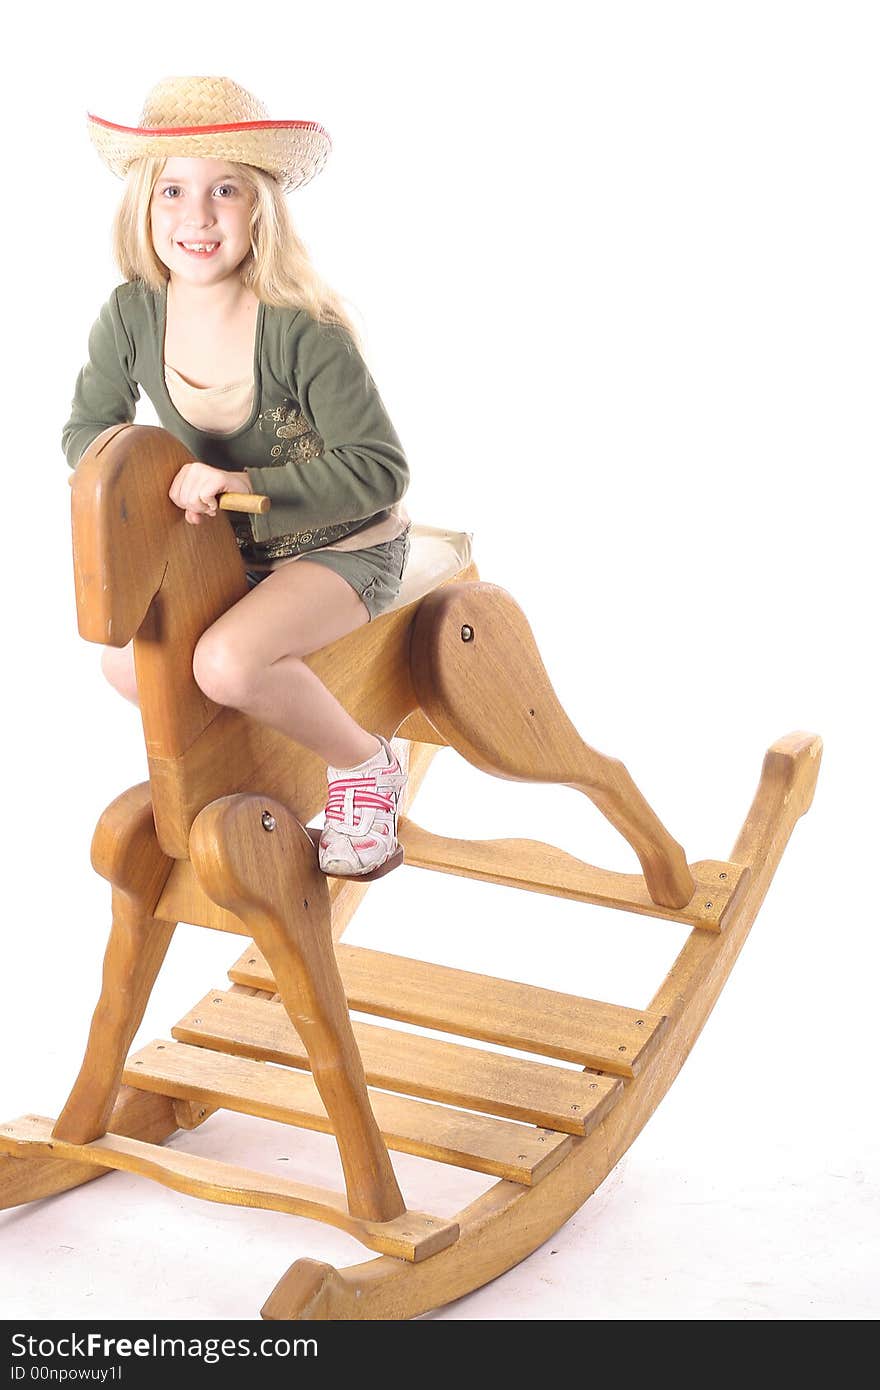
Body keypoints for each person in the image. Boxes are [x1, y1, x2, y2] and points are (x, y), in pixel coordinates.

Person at [61, 76, 412, 878]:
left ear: (259, 208)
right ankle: (254, 747)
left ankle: (364, 765)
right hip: (231, 554)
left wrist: (239, 481)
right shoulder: (131, 314)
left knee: (224, 662)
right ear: (143, 209)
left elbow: (380, 469)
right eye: (173, 191)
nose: (197, 215)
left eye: (225, 190)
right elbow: (87, 431)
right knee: (125, 664)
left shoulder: (300, 328)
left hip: (339, 544)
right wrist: (157, 470)